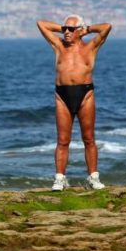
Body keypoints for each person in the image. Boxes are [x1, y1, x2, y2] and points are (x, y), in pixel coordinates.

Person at [36, 15, 112, 191]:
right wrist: (64, 28)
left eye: (70, 29)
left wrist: (87, 29)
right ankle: (60, 179)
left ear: (80, 30)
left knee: (89, 138)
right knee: (63, 140)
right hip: (62, 96)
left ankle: (93, 178)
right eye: (65, 29)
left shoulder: (90, 47)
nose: (66, 32)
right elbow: (41, 24)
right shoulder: (59, 45)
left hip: (85, 94)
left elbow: (107, 27)